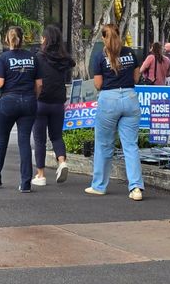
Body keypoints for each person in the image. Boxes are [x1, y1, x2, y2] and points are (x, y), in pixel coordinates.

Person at [86, 23, 144, 201]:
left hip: (109, 99)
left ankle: (99, 185)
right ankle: (135, 188)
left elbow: (97, 84)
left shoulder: (99, 56)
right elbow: (136, 77)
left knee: (104, 144)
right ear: (119, 35)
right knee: (130, 145)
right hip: (130, 98)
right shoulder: (130, 52)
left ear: (104, 37)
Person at [0, 26, 39, 193]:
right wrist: (33, 97)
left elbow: (0, 83)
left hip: (8, 101)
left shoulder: (3, 58)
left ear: (7, 40)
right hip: (29, 100)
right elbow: (39, 84)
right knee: (24, 141)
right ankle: (26, 183)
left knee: (2, 140)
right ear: (22, 39)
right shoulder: (32, 57)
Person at [32, 25, 75, 186]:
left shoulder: (38, 57)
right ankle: (62, 161)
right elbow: (72, 63)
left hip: (41, 102)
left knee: (39, 140)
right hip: (58, 102)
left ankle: (40, 175)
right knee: (56, 136)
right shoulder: (64, 59)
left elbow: (36, 80)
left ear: (45, 39)